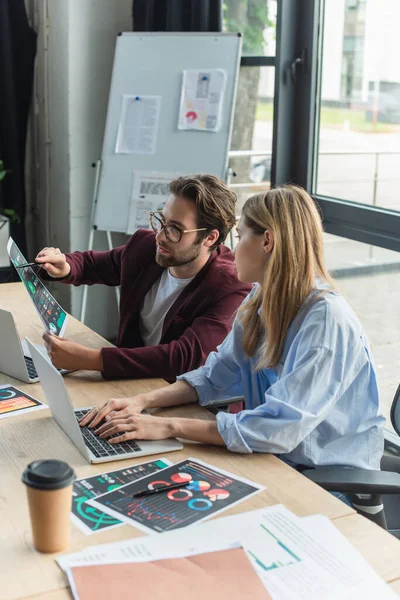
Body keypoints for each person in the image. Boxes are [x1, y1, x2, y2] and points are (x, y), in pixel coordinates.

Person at [80, 185, 385, 472]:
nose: (231, 248)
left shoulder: (326, 322)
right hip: (269, 458)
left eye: (239, 236)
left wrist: (168, 426)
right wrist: (142, 401)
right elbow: (216, 375)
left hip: (320, 478)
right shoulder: (262, 297)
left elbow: (278, 428)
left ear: (267, 241)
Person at [35, 174, 251, 380]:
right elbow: (95, 264)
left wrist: (90, 359)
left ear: (210, 238)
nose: (159, 236)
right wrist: (65, 266)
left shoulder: (231, 286)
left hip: (182, 398)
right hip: (128, 383)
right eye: (161, 221)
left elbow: (185, 358)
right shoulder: (145, 246)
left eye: (175, 230)